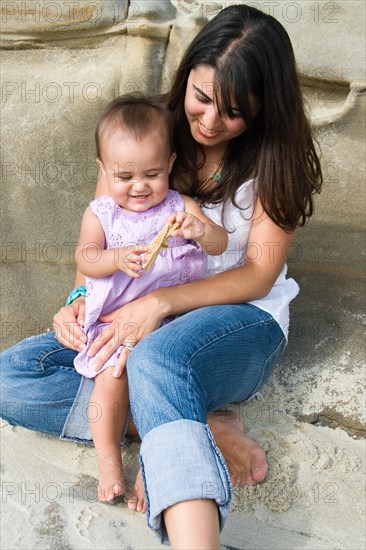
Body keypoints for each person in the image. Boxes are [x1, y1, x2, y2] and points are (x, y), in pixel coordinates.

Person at [0, 4, 322, 548]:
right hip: (132, 316)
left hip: (240, 321)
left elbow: (258, 275)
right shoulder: (144, 132)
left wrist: (162, 303)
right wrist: (78, 298)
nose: (210, 121)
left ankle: (192, 528)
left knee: (156, 358)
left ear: (266, 109)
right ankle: (194, 423)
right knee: (13, 374)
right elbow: (100, 237)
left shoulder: (276, 162)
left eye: (235, 110)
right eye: (202, 97)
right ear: (186, 76)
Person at [74, 94, 228, 504]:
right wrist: (116, 257)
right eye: (124, 176)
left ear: (172, 163)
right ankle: (108, 457)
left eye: (152, 173)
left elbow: (219, 243)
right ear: (103, 171)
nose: (139, 186)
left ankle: (152, 464)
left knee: (155, 383)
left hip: (172, 323)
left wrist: (198, 230)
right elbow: (85, 257)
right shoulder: (102, 213)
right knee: (110, 383)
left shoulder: (181, 208)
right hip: (119, 322)